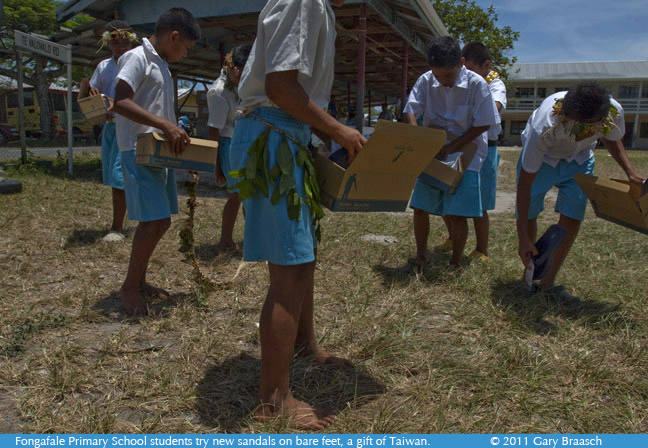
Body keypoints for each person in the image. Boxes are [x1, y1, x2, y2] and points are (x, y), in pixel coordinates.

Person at [228, 0, 366, 429]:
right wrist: (337, 128)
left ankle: (305, 343)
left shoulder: (318, 6)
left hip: (285, 136)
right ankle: (272, 398)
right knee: (289, 270)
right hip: (272, 135)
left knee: (302, 258)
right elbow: (281, 87)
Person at [516, 82, 645, 302]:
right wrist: (523, 240)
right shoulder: (544, 125)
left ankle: (547, 282)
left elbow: (612, 138)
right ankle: (529, 277)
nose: (578, 135)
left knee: (573, 215)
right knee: (529, 214)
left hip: (580, 160)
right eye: (574, 126)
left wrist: (631, 173)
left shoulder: (613, 111)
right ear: (565, 113)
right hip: (545, 159)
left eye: (586, 128)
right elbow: (525, 187)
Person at [113, 8, 200, 315]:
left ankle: (139, 281)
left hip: (155, 153)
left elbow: (161, 115)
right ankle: (129, 286)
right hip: (137, 150)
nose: (185, 54)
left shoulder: (160, 63)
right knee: (155, 221)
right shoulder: (137, 57)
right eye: (185, 47)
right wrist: (165, 125)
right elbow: (120, 101)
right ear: (173, 36)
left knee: (159, 220)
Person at [403, 36, 499, 269]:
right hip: (434, 152)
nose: (442, 81)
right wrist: (419, 138)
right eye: (437, 76)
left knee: (457, 214)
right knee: (420, 207)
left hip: (467, 154)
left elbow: (484, 123)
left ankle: (455, 262)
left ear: (461, 63)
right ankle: (421, 256)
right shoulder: (426, 81)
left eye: (448, 76)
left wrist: (453, 147)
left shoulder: (477, 85)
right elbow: (411, 110)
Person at [437, 42, 506, 260]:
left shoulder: (495, 85)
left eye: (470, 68)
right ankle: (453, 237)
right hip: (457, 147)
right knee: (448, 194)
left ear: (486, 66)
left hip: (484, 149)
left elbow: (491, 111)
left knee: (480, 204)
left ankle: (481, 249)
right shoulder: (459, 83)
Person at [81, 20, 138, 242]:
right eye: (115, 43)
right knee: (116, 178)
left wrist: (119, 102)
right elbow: (91, 92)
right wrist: (93, 93)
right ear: (108, 43)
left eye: (124, 42)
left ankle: (117, 227)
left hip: (130, 126)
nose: (120, 47)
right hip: (110, 127)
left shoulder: (137, 62)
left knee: (121, 177)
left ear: (130, 42)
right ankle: (124, 223)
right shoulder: (103, 67)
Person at [206, 44, 252, 252]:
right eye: (241, 71)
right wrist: (216, 165)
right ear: (232, 67)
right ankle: (227, 239)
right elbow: (214, 130)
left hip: (243, 143)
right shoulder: (219, 92)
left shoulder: (242, 87)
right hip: (228, 146)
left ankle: (250, 238)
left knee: (245, 193)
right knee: (238, 194)